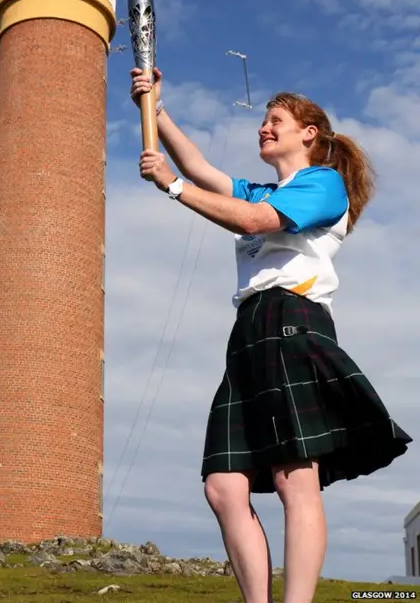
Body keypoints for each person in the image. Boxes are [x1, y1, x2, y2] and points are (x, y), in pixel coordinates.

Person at [130, 66, 412, 603]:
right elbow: (201, 168)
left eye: (274, 119)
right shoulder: (262, 187)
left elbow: (255, 221)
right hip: (249, 331)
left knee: (292, 479)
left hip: (292, 321)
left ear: (309, 133)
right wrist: (156, 108)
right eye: (263, 121)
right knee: (223, 486)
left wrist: (171, 186)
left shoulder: (321, 184)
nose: (263, 127)